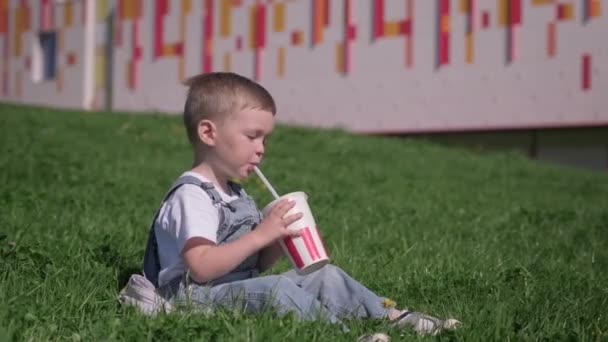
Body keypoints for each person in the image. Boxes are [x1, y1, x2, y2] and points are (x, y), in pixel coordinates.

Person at [135, 72, 459, 340]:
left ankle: (392, 316)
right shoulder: (193, 196)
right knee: (277, 288)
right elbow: (202, 267)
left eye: (265, 139)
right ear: (208, 132)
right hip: (194, 299)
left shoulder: (234, 193)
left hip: (233, 288)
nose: (261, 149)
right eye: (252, 136)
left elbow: (252, 269)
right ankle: (339, 335)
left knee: (325, 276)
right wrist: (261, 235)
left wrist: (278, 240)